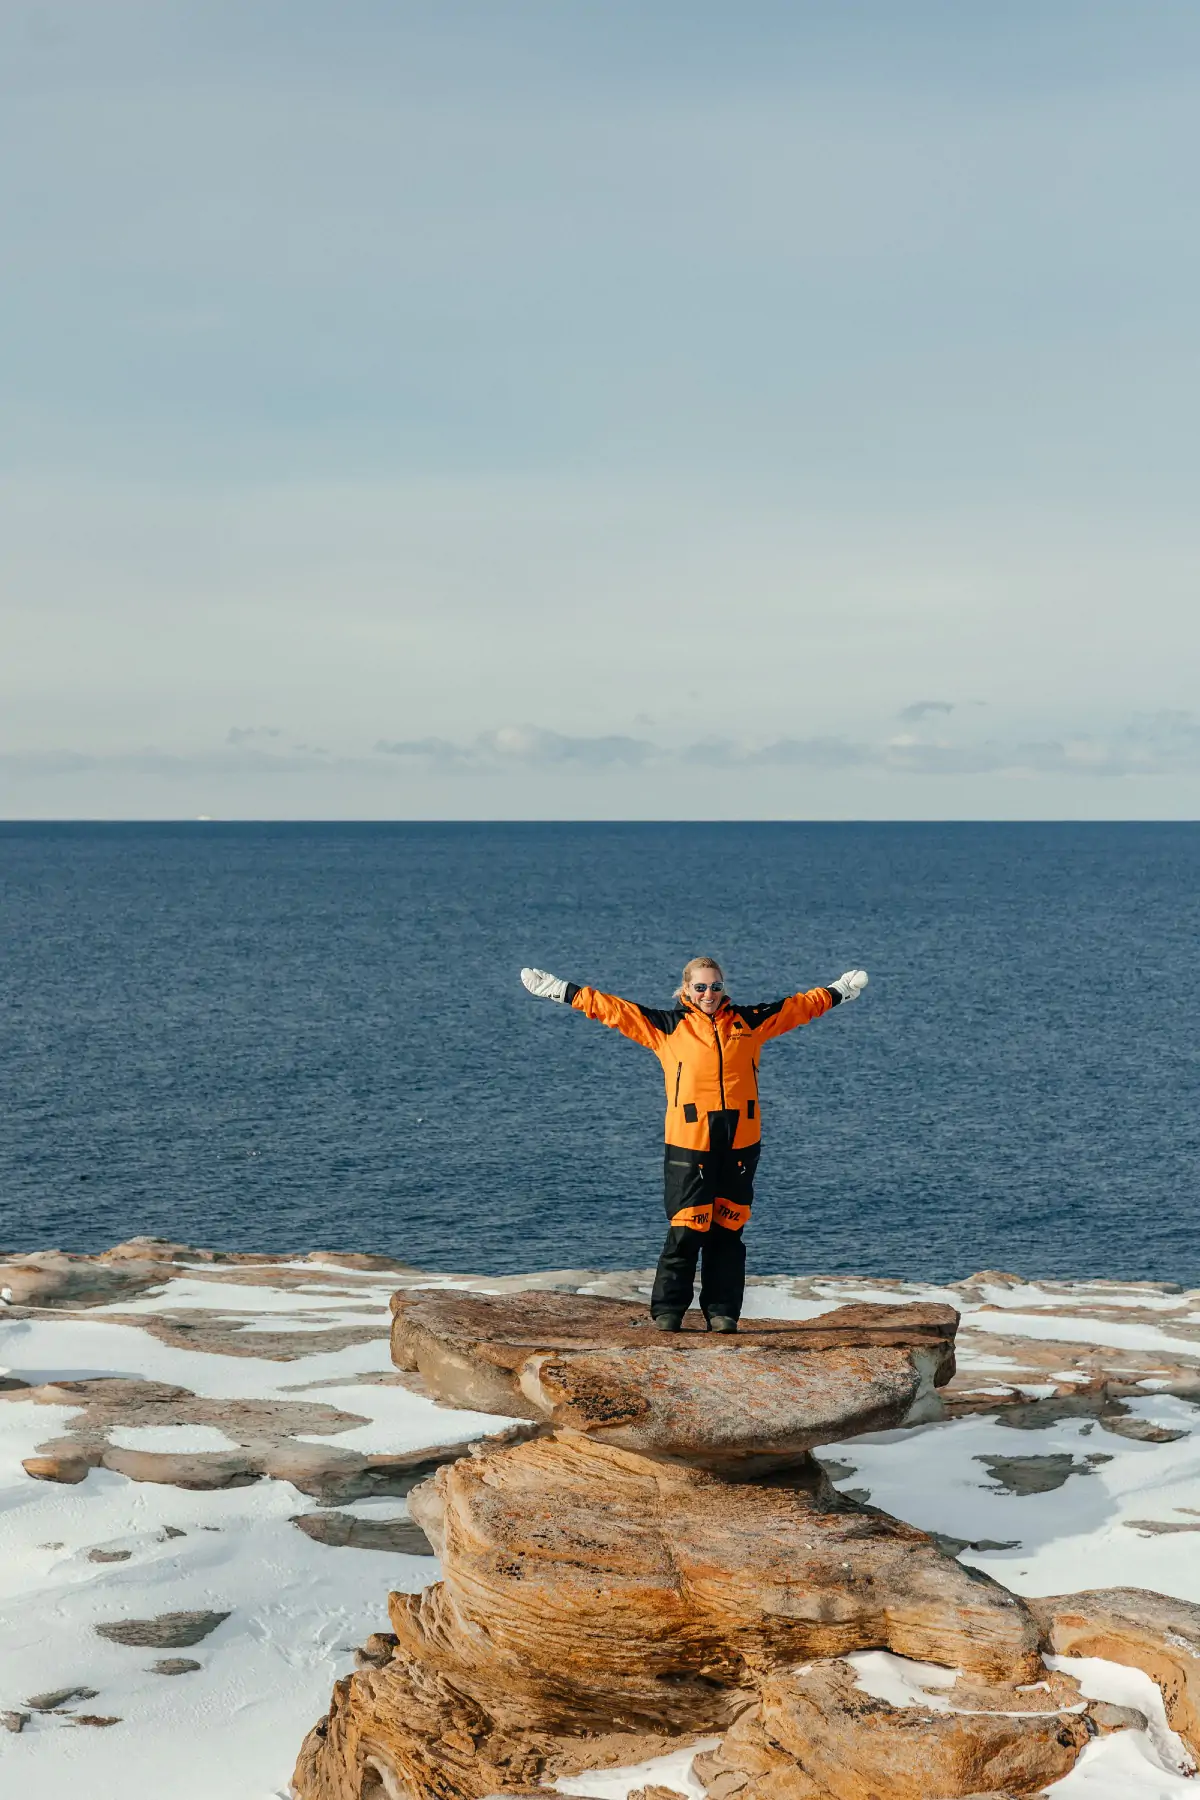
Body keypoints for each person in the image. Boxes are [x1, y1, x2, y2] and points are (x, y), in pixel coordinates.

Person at [519, 956, 867, 1332]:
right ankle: (668, 1311)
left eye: (715, 987)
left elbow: (798, 1008)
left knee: (728, 1230)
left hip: (740, 1141)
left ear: (723, 988)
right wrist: (559, 990)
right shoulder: (666, 1027)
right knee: (688, 1227)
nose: (708, 994)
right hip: (690, 1142)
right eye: (700, 987)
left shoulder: (749, 1022)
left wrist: (839, 992)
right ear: (686, 989)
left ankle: (723, 1312)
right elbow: (611, 1009)